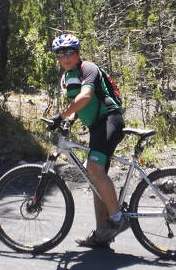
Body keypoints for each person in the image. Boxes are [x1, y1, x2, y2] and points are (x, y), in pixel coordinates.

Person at [51, 33, 129, 249]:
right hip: (97, 127)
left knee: (94, 168)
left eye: (69, 52)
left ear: (78, 53)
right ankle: (102, 233)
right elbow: (81, 106)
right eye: (60, 54)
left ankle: (117, 219)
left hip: (110, 120)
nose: (65, 57)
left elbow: (85, 96)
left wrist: (62, 115)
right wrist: (68, 122)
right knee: (94, 176)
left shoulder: (88, 68)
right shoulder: (68, 77)